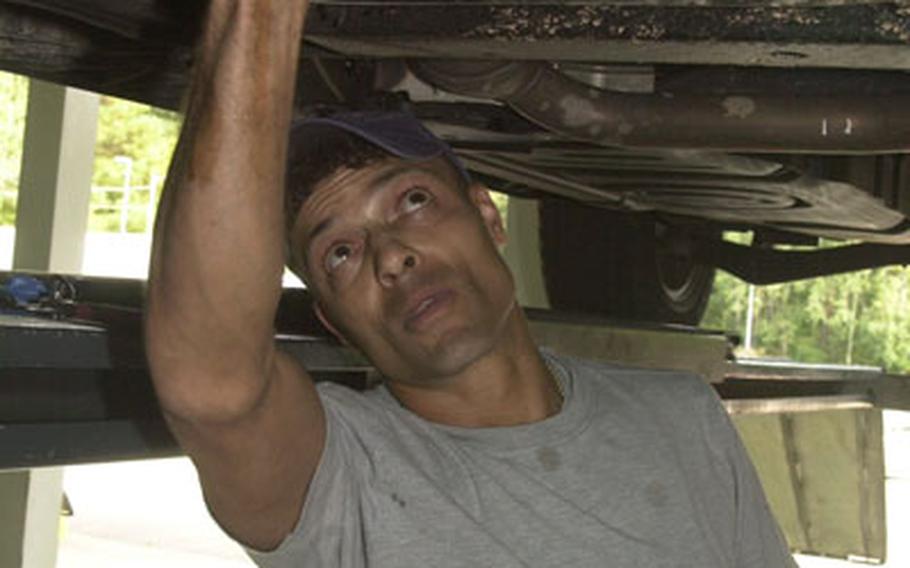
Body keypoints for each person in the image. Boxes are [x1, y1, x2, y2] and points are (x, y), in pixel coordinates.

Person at [144, 1, 796, 566]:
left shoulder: (681, 417)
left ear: (487, 216)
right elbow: (212, 384)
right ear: (335, 322)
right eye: (340, 252)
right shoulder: (335, 477)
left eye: (412, 202)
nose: (390, 255)